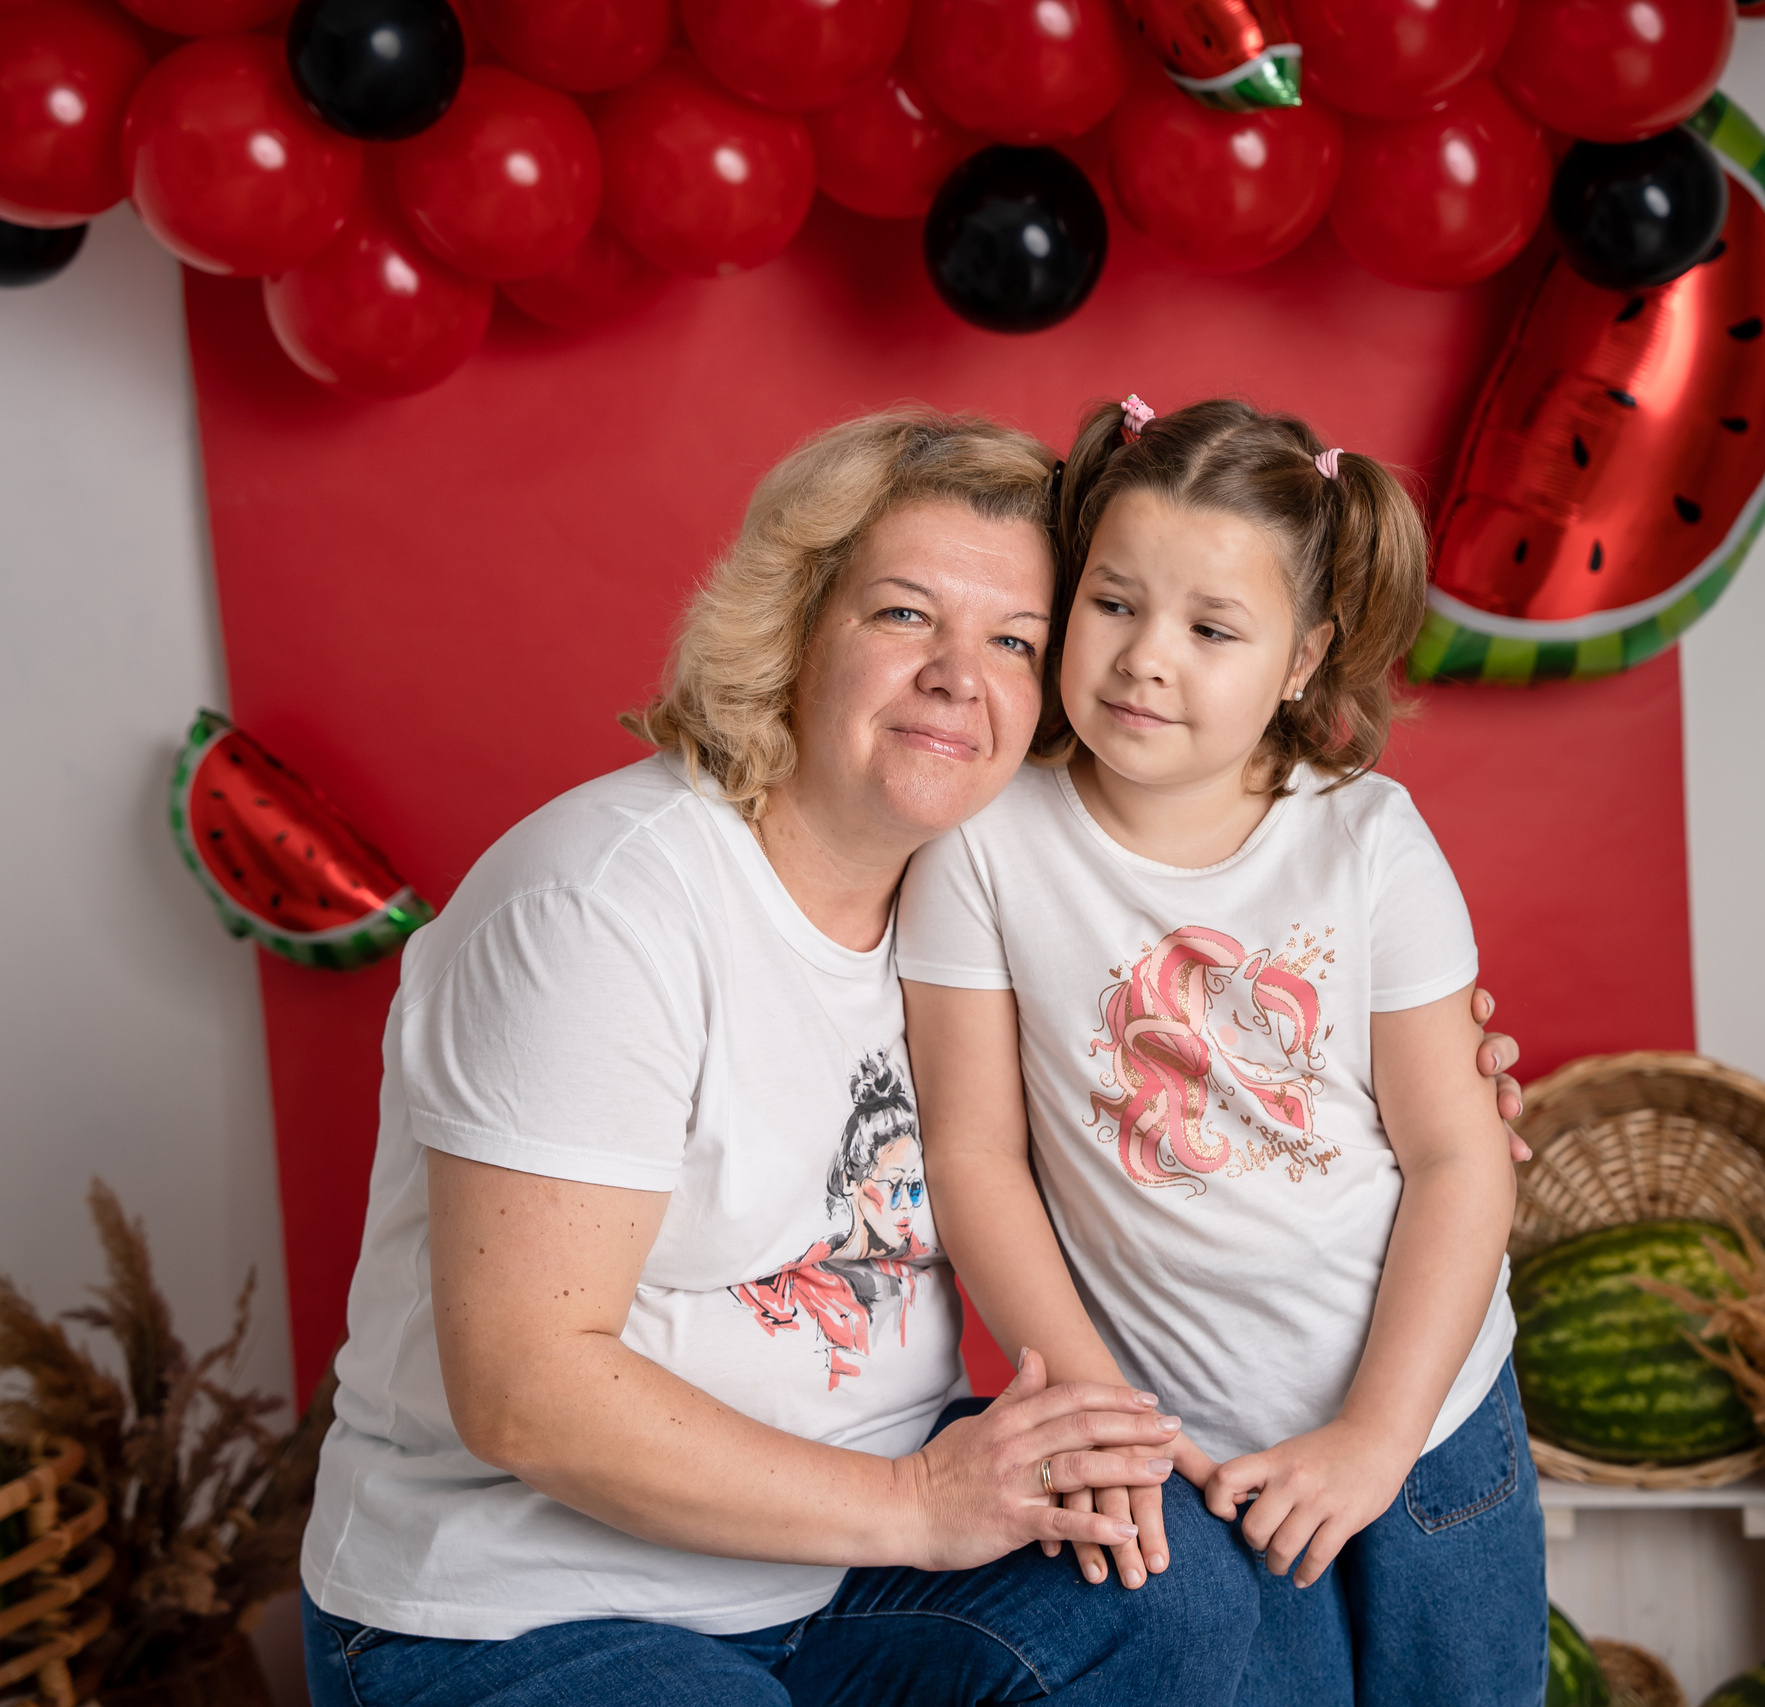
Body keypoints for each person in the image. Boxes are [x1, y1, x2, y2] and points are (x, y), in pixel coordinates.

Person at [297, 406, 1529, 1706]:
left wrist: (1412, 1095)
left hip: (847, 1576)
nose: (960, 675)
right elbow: (525, 1395)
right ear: (797, 618)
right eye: (903, 616)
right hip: (545, 1598)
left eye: (1015, 640)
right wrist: (917, 1505)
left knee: (1181, 1595)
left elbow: (1230, 1064)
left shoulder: (964, 875)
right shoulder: (600, 909)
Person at [901, 397, 1544, 1707]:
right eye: (1115, 605)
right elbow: (975, 1156)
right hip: (1190, 1460)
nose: (1147, 660)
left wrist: (1377, 1434)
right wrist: (1099, 1412)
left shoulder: (1366, 840)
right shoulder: (986, 842)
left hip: (1430, 1415)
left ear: (1302, 659)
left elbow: (1456, 1158)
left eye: (1212, 630)